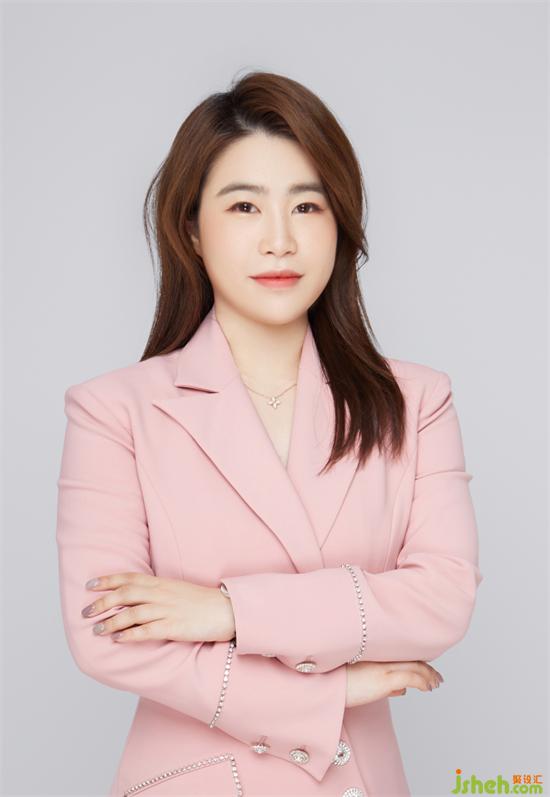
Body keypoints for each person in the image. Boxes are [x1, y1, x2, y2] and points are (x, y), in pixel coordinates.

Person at [56, 70, 483, 797]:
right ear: (192, 229)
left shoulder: (416, 400)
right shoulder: (113, 410)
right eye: (245, 206)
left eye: (307, 206)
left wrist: (226, 609)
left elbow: (442, 597)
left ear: (340, 225)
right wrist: (328, 693)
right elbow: (107, 634)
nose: (280, 240)